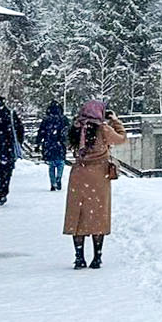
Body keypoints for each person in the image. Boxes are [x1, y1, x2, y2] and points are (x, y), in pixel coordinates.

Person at [63, 101, 124, 269]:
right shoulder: (102, 129)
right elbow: (121, 138)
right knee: (98, 215)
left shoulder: (76, 127)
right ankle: (97, 257)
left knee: (78, 215)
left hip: (78, 174)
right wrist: (115, 121)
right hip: (99, 176)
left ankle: (79, 257)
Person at [37, 100, 68, 191]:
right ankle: (59, 177)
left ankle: (53, 183)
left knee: (51, 165)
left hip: (49, 144)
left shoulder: (46, 119)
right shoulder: (63, 119)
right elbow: (67, 132)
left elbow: (41, 132)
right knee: (60, 163)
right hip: (60, 144)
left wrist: (38, 143)